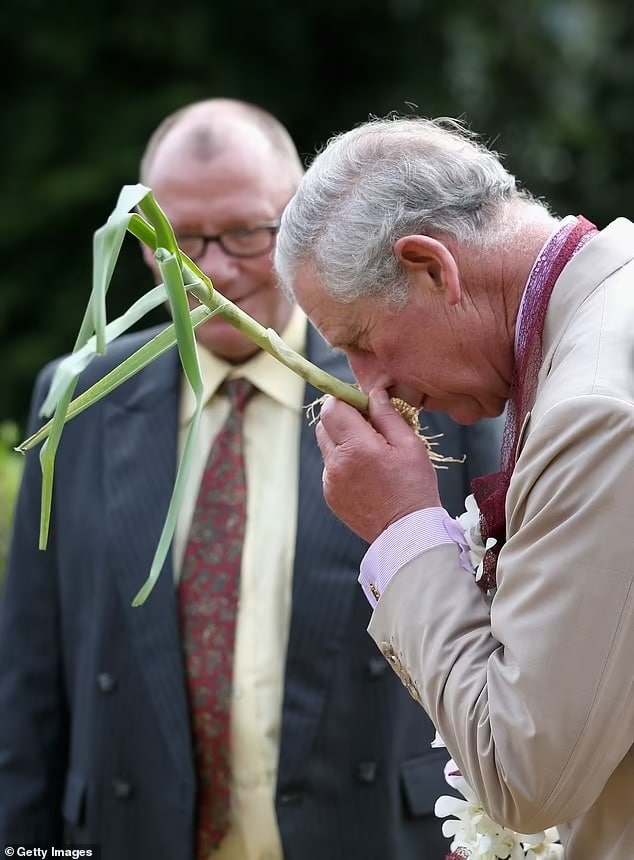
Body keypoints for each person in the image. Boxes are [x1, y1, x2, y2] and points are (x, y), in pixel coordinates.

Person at [0, 102, 504, 860]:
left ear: (300, 225)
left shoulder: (416, 389)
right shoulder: (78, 401)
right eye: (176, 240)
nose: (215, 268)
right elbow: (31, 676)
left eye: (246, 233)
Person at [273, 115, 634, 860]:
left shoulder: (593, 409)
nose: (371, 389)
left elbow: (528, 780)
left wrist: (402, 527)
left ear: (432, 267)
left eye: (361, 344)